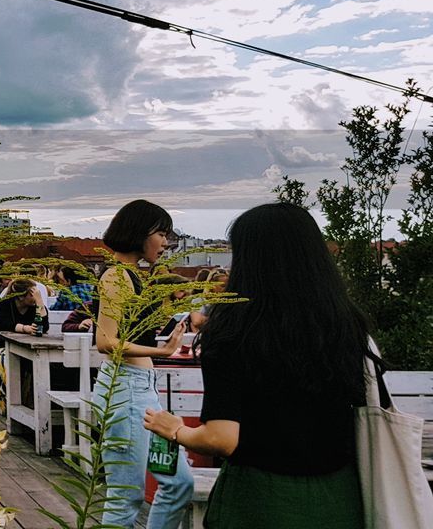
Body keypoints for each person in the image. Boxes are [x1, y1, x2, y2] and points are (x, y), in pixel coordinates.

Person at [143, 204, 369, 528]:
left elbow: (222, 439)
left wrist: (175, 429)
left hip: (260, 498)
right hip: (339, 497)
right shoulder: (345, 324)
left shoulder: (234, 331)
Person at [93, 199, 191, 528]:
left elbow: (135, 333)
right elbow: (106, 342)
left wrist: (165, 312)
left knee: (179, 484)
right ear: (139, 233)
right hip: (125, 392)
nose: (166, 242)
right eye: (161, 233)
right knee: (124, 496)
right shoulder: (117, 277)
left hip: (143, 393)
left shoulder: (134, 278)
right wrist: (164, 353)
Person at [0, 278, 50, 348]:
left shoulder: (36, 306)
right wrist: (25, 328)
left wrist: (40, 302)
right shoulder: (4, 305)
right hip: (4, 347)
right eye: (32, 294)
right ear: (21, 296)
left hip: (28, 348)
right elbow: (5, 325)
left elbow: (44, 327)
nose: (35, 298)